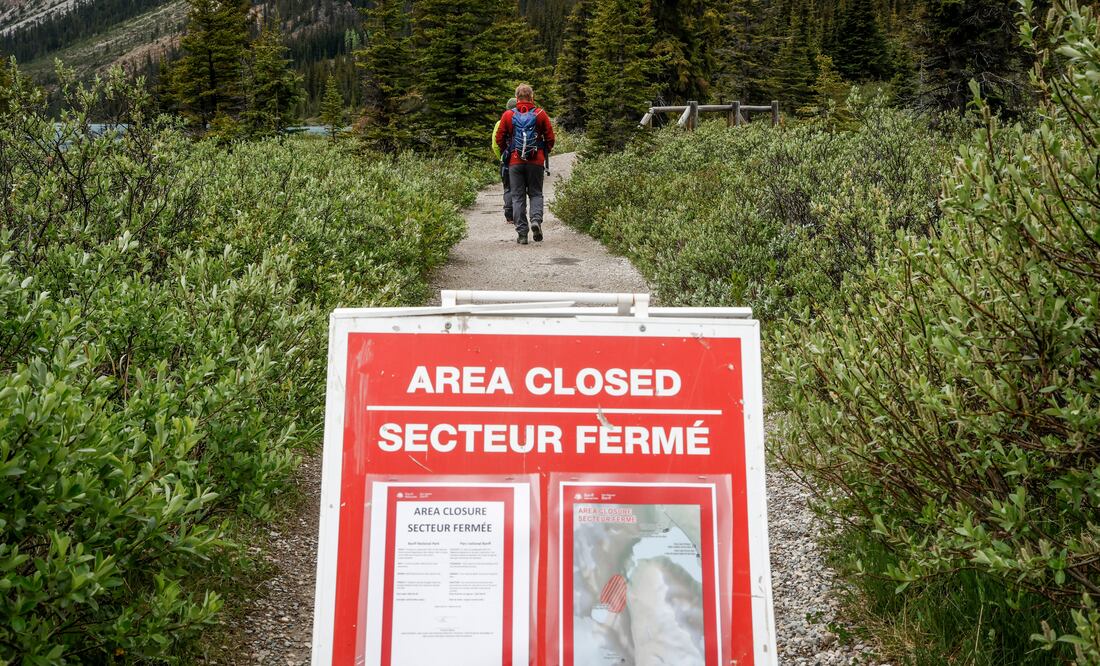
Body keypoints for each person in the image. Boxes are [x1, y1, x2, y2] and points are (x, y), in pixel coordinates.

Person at [495, 83, 555, 244]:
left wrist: (507, 152)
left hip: (515, 162)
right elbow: (550, 138)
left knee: (517, 197)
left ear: (517, 98)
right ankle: (536, 220)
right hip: (536, 161)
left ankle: (522, 233)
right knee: (535, 193)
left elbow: (499, 137)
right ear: (532, 97)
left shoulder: (508, 115)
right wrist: (543, 152)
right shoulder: (540, 114)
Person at [491, 97, 518, 225]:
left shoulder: (499, 123)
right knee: (519, 188)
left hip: (505, 160)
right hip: (519, 159)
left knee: (508, 188)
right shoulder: (521, 120)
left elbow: (495, 144)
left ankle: (509, 216)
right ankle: (519, 214)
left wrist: (501, 157)